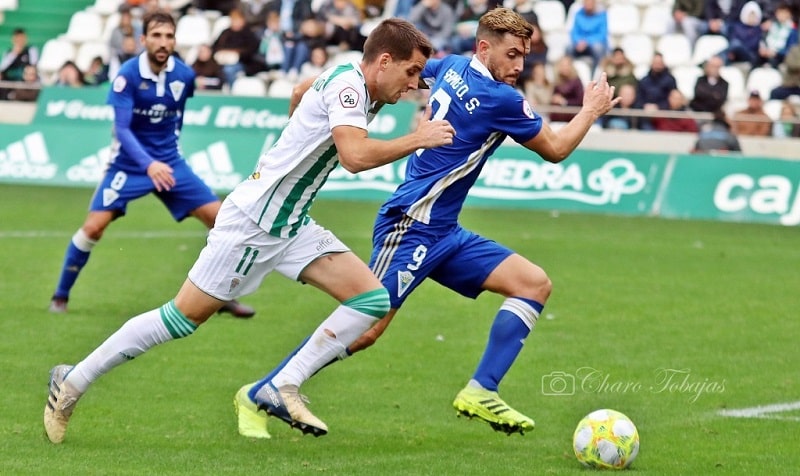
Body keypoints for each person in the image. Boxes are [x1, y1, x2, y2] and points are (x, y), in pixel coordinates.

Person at [43, 17, 456, 445]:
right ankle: (72, 381)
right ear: (384, 60)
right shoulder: (349, 89)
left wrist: (295, 140)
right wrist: (418, 138)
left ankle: (281, 385)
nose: (413, 86)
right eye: (410, 73)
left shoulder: (347, 76)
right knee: (181, 319)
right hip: (254, 225)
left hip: (291, 224)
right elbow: (353, 156)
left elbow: (300, 91)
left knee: (370, 299)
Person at [234, 7, 619, 439]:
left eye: (524, 56)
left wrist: (311, 88)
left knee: (532, 283)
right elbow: (556, 148)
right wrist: (591, 110)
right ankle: (266, 388)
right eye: (512, 55)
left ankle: (481, 389)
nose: (519, 66)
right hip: (412, 224)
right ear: (484, 47)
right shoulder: (503, 100)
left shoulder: (451, 66)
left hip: (445, 230)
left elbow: (396, 72)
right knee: (367, 327)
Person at [47, 10, 255, 319]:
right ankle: (60, 296)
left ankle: (220, 294)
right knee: (94, 226)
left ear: (175, 40)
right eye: (156, 35)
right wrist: (148, 165)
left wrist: (168, 154)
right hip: (128, 165)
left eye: (169, 36)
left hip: (169, 162)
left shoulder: (184, 76)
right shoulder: (127, 76)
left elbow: (177, 118)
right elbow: (122, 129)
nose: (163, 42)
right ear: (144, 39)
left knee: (223, 221)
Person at [567, 0, 609, 72]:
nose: (588, 4)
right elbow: (574, 32)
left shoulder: (602, 15)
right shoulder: (578, 14)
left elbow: (602, 35)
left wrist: (587, 42)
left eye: (590, 2)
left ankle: (596, 73)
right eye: (586, 2)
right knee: (568, 48)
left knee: (598, 48)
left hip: (594, 44)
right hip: (580, 44)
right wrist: (578, 41)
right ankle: (571, 73)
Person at [549, 55, 585, 123]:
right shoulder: (557, 82)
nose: (564, 68)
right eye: (562, 65)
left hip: (573, 116)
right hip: (558, 117)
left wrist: (564, 101)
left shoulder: (576, 81)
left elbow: (580, 101)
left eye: (567, 65)